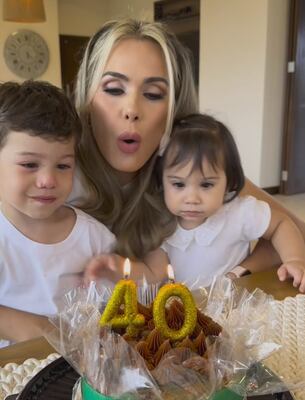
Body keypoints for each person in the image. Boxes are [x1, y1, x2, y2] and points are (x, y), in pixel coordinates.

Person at [1, 18, 305, 342]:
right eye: (114, 89)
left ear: (173, 112)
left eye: (154, 94)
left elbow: (289, 232)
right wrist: (42, 332)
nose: (131, 109)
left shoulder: (191, 176)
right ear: (87, 99)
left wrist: (237, 273)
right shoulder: (47, 178)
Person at [84, 113, 305, 292]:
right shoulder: (162, 224)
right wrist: (117, 268)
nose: (191, 199)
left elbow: (280, 224)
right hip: (188, 319)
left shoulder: (239, 212)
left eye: (206, 185)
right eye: (179, 185)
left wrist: (294, 259)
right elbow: (153, 274)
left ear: (228, 182)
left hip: (237, 311)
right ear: (162, 182)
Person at [0, 80, 116, 346]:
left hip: (78, 368)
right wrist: (41, 328)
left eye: (63, 166)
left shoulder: (94, 237)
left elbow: (115, 309)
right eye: (30, 164)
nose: (48, 180)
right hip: (13, 374)